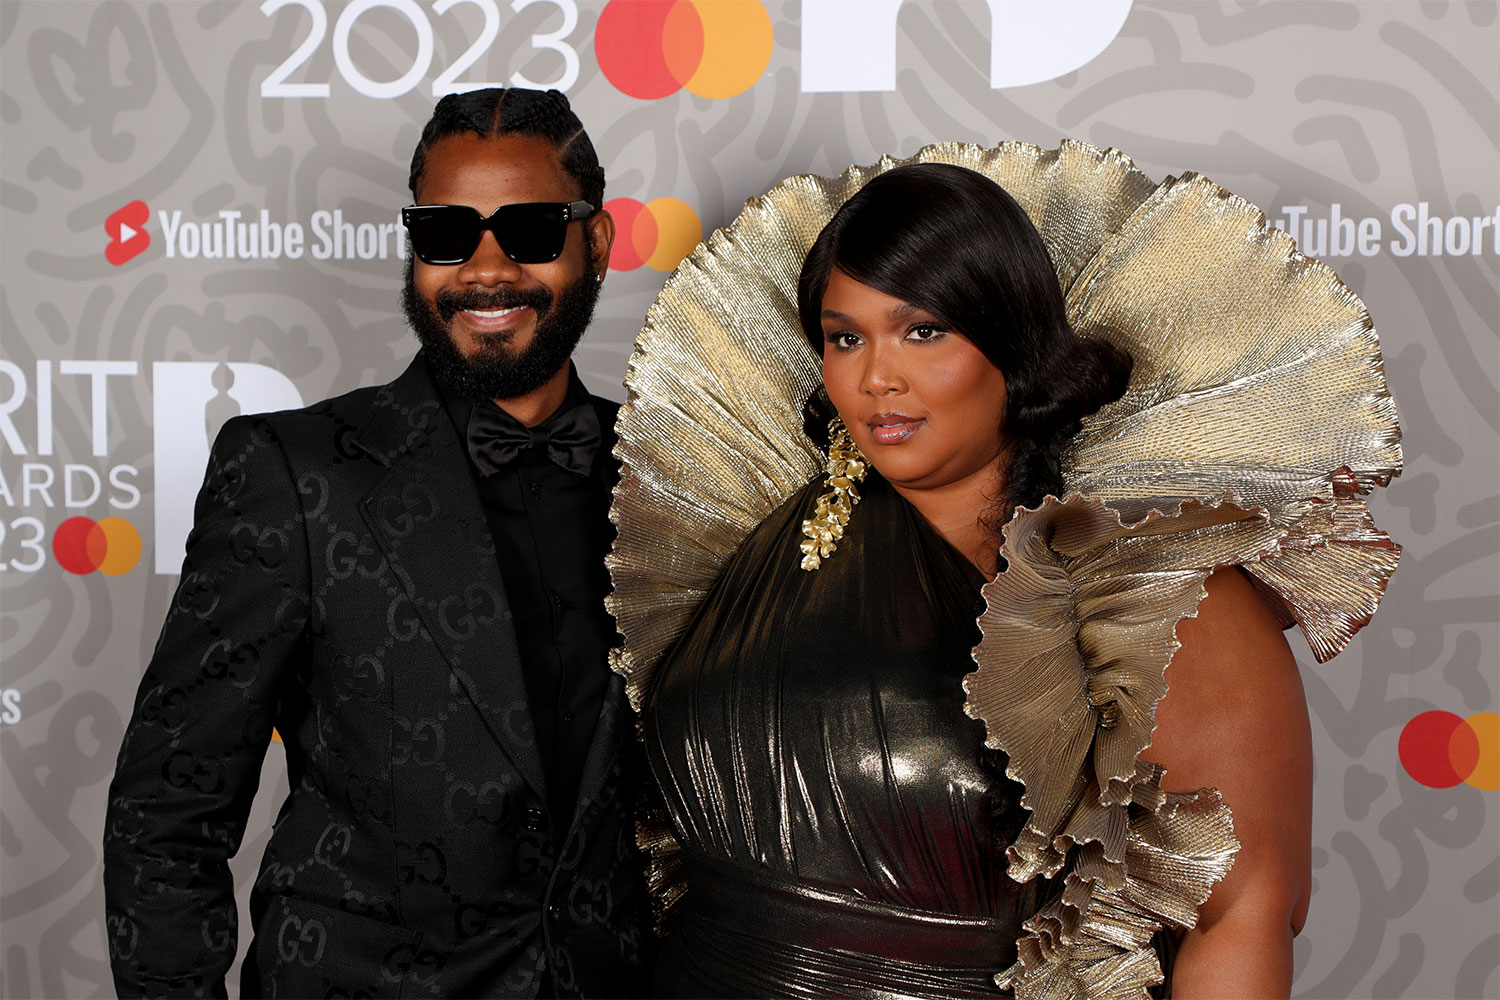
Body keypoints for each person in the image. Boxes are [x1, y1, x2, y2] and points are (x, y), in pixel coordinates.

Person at [606, 152, 1401, 997]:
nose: (877, 377)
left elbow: (1239, 916)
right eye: (846, 338)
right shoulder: (770, 544)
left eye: (923, 331)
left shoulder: (1155, 591)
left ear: (1011, 345)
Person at [103, 88, 652, 999]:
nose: (484, 269)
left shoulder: (667, 480)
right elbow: (169, 811)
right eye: (446, 232)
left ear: (595, 242)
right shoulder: (294, 473)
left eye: (527, 230)